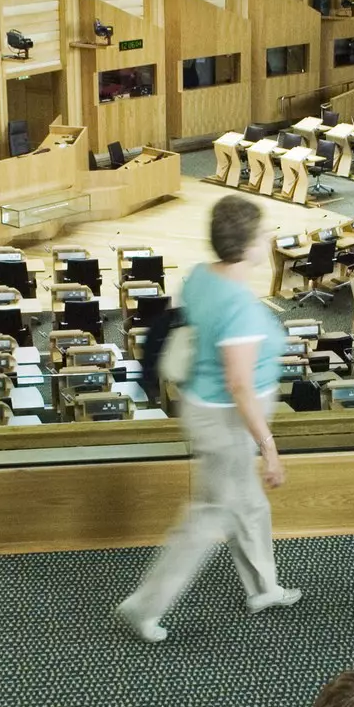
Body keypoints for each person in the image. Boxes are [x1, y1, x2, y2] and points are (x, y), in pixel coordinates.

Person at [117, 195, 300, 642]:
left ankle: (264, 587)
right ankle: (144, 606)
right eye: (264, 233)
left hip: (205, 407)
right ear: (247, 246)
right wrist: (269, 448)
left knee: (249, 504)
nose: (269, 238)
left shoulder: (201, 276)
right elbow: (240, 385)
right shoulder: (239, 309)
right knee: (207, 516)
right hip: (227, 423)